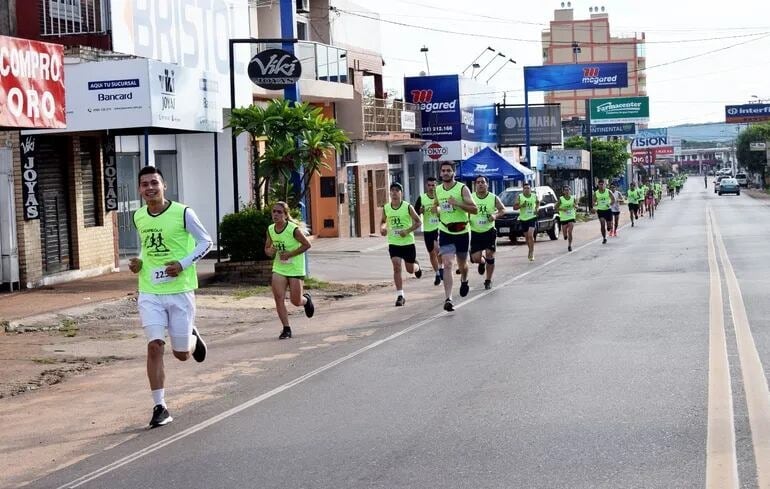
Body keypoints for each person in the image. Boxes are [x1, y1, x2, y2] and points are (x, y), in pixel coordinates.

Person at [129, 166, 212, 428]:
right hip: (150, 291)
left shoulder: (183, 213)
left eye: (154, 183)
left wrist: (183, 263)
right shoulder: (139, 216)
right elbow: (146, 246)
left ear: (164, 185)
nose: (150, 188)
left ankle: (191, 338)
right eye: (144, 184)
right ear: (140, 190)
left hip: (179, 290)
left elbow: (206, 242)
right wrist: (139, 262)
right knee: (154, 346)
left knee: (181, 355)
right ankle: (159, 406)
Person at [265, 201, 315, 340]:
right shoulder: (270, 229)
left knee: (295, 301)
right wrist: (271, 251)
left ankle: (306, 300)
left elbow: (307, 245)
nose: (275, 214)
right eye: (274, 211)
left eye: (279, 212)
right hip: (279, 267)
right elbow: (267, 249)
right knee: (278, 298)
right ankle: (286, 329)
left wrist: (290, 254)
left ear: (286, 215)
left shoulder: (293, 229)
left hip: (295, 267)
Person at [433, 161, 478, 311]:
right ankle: (448, 298)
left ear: (454, 173)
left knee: (462, 265)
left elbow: (474, 209)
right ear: (440, 173)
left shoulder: (462, 189)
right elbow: (437, 205)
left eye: (448, 170)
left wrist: (457, 204)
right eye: (443, 171)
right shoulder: (438, 190)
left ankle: (464, 280)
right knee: (447, 264)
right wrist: (436, 209)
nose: (445, 173)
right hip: (445, 231)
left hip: (462, 231)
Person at [381, 182, 422, 306]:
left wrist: (407, 231)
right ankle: (400, 295)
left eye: (397, 190)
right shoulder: (386, 207)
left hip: (408, 242)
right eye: (392, 190)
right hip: (394, 243)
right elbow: (383, 221)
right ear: (390, 193)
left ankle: (417, 266)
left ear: (401, 193)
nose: (394, 193)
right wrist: (383, 228)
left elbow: (418, 222)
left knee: (410, 270)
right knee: (396, 266)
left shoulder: (407, 207)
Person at [469, 175, 505, 289]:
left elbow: (502, 209)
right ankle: (482, 262)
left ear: (487, 184)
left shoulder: (493, 197)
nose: (480, 184)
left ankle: (488, 280)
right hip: (475, 232)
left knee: (490, 254)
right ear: (475, 185)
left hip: (489, 231)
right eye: (478, 182)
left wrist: (495, 215)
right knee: (475, 258)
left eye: (482, 182)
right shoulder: (471, 197)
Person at [414, 177, 443, 286]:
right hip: (427, 229)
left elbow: (447, 210)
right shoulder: (422, 198)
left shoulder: (440, 197)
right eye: (429, 185)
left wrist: (439, 210)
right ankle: (437, 274)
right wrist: (420, 211)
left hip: (439, 227)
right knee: (431, 254)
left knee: (438, 250)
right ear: (426, 186)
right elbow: (414, 213)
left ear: (436, 186)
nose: (431, 188)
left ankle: (441, 268)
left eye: (433, 185)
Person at [514, 182, 539, 261]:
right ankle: (530, 249)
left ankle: (532, 252)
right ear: (523, 190)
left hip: (532, 217)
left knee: (530, 235)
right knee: (527, 237)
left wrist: (537, 209)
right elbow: (515, 207)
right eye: (525, 188)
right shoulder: (520, 197)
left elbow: (538, 202)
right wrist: (521, 205)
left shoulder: (534, 196)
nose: (527, 190)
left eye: (528, 188)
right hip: (523, 219)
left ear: (530, 189)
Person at [593, 179, 616, 244]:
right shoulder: (596, 193)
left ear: (605, 185)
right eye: (600, 184)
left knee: (609, 226)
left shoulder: (608, 191)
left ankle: (609, 227)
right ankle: (604, 238)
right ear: (598, 185)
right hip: (600, 210)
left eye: (602, 184)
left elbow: (613, 199)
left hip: (608, 210)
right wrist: (595, 205)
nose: (601, 186)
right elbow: (594, 201)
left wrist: (609, 204)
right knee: (602, 224)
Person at [556, 185, 576, 252]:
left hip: (571, 216)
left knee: (570, 232)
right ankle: (565, 235)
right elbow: (555, 207)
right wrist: (562, 209)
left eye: (568, 190)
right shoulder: (561, 199)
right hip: (564, 218)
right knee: (565, 233)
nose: (567, 191)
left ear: (570, 191)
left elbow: (576, 205)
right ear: (563, 191)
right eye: (565, 190)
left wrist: (576, 206)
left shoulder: (573, 198)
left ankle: (569, 245)